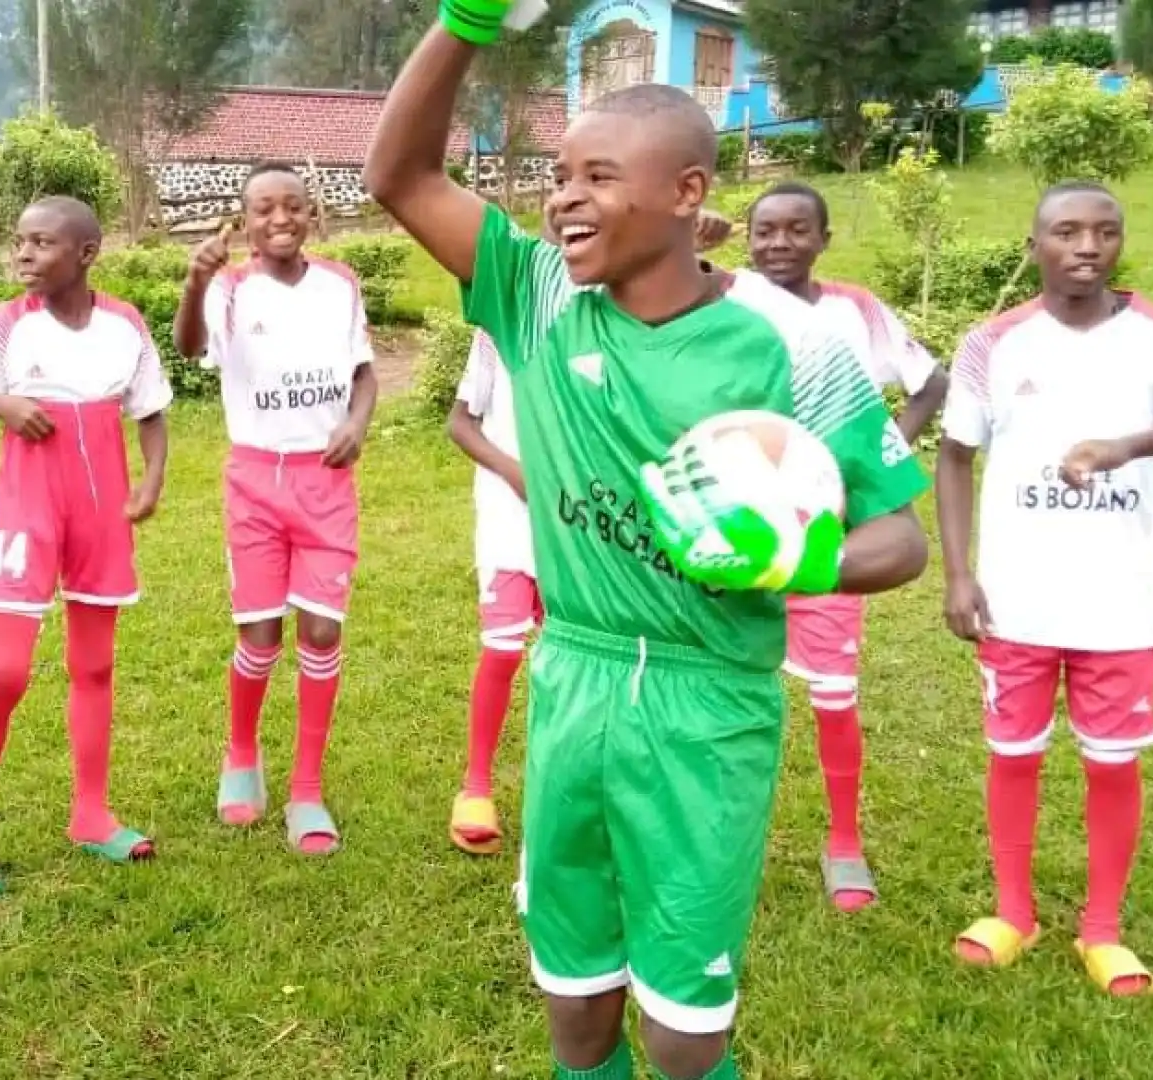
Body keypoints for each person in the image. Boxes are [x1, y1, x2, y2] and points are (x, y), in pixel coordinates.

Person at [363, 10, 931, 1079]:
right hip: (572, 676)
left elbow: (900, 540)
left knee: (680, 1033)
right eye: (558, 175)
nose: (564, 197)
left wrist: (785, 562)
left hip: (707, 705)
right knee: (576, 1008)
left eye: (599, 176)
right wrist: (465, 21)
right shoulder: (535, 299)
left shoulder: (795, 343)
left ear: (685, 195)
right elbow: (397, 172)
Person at [936, 180, 1153, 997]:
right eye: (1065, 232)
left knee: (1112, 763)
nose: (1086, 246)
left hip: (1121, 603)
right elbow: (955, 457)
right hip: (1016, 599)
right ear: (1034, 246)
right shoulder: (993, 342)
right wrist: (959, 571)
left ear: (1121, 242)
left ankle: (1103, 928)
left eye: (1104, 231)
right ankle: (1013, 910)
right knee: (1012, 753)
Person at [0, 195, 172, 900]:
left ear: (87, 253)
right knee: (7, 670)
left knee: (94, 664)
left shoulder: (125, 324)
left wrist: (152, 479)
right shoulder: (5, 326)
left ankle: (91, 813)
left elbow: (150, 410)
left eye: (41, 244)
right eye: (20, 242)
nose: (24, 256)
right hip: (30, 503)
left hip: (102, 507)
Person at [743, 180, 948, 911]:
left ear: (824, 238)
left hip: (828, 534)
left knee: (833, 697)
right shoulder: (728, 305)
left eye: (798, 229)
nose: (780, 243)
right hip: (745, 529)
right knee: (732, 689)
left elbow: (931, 381)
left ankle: (844, 841)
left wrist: (877, 460)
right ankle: (728, 835)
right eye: (765, 230)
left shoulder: (855, 311)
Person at [171, 162, 378, 856]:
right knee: (260, 636)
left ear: (312, 213)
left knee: (320, 633)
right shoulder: (228, 287)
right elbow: (190, 348)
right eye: (264, 209)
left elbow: (364, 371)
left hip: (325, 482)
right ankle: (240, 753)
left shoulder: (341, 285)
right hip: (256, 481)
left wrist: (357, 422)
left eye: (293, 206)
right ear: (245, 219)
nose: (280, 219)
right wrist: (195, 279)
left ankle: (307, 790)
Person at [445, 325, 532, 856]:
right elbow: (460, 423)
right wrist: (512, 470)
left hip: (584, 520)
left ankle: (579, 789)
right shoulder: (501, 325)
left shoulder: (616, 306)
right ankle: (476, 786)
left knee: (579, 659)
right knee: (503, 648)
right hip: (509, 519)